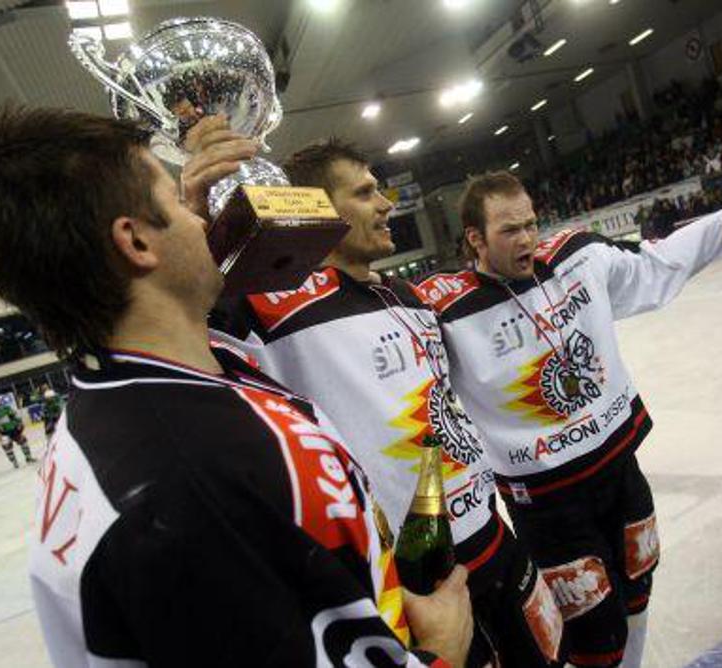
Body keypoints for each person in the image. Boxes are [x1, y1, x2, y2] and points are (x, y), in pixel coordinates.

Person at [0, 104, 472, 667]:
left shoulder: (150, 393)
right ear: (136, 242)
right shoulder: (190, 483)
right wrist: (440, 652)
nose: (201, 223)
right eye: (176, 205)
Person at [205, 132, 563, 667]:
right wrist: (209, 213)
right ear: (321, 211)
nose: (385, 204)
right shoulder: (269, 311)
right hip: (417, 584)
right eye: (365, 192)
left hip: (490, 535)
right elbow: (188, 325)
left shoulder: (408, 297)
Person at [415, 159, 722, 668]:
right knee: (594, 635)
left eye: (531, 223)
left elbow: (659, 262)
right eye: (509, 230)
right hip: (548, 507)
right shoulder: (444, 311)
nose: (527, 238)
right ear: (475, 239)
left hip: (620, 474)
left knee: (638, 589)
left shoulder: (576, 258)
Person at [0, 398, 34, 467]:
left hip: (13, 429)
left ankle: (29, 457)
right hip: (2, 432)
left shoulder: (5, 408)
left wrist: (19, 423)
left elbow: (14, 416)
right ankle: (14, 462)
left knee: (23, 441)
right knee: (7, 447)